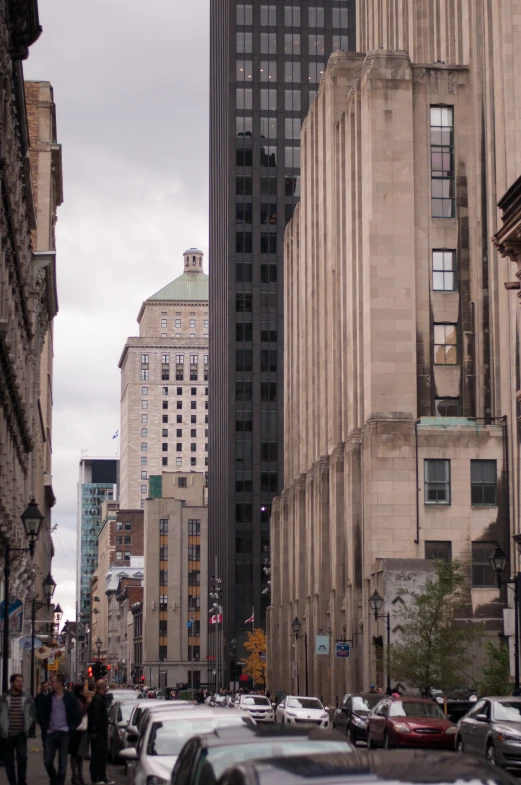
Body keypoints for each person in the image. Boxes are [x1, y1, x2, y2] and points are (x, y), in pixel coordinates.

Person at [37, 673, 81, 785]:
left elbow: (77, 716)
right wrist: (45, 727)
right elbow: (41, 713)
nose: (51, 683)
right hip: (51, 733)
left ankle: (59, 783)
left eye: (53, 681)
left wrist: (71, 728)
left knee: (63, 762)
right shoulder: (48, 698)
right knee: (47, 761)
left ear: (60, 683)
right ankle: (54, 778)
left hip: (64, 733)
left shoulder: (70, 698)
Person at [0, 673, 36, 785]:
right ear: (12, 683)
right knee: (9, 761)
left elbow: (32, 713)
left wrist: (28, 725)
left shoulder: (27, 698)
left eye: (21, 681)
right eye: (18, 681)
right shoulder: (4, 698)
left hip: (21, 734)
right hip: (7, 735)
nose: (20, 683)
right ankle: (12, 782)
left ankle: (22, 781)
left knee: (22, 759)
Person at [88, 679, 114, 785]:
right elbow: (94, 716)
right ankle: (99, 777)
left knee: (99, 754)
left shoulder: (99, 698)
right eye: (106, 685)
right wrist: (93, 730)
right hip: (98, 732)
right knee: (98, 755)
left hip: (99, 731)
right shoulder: (98, 699)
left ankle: (99, 776)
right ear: (103, 687)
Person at [69, 684, 92, 785]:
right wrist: (87, 704)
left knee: (79, 754)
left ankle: (79, 776)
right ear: (80, 691)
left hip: (80, 729)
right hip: (77, 729)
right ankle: (75, 776)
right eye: (84, 690)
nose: (85, 692)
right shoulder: (77, 701)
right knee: (76, 754)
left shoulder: (79, 699)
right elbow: (80, 713)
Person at [34, 681, 51, 751]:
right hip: (42, 718)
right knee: (44, 733)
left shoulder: (51, 696)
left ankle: (49, 744)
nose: (45, 688)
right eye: (44, 686)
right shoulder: (39, 697)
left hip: (50, 718)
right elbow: (36, 706)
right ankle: (45, 744)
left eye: (46, 686)